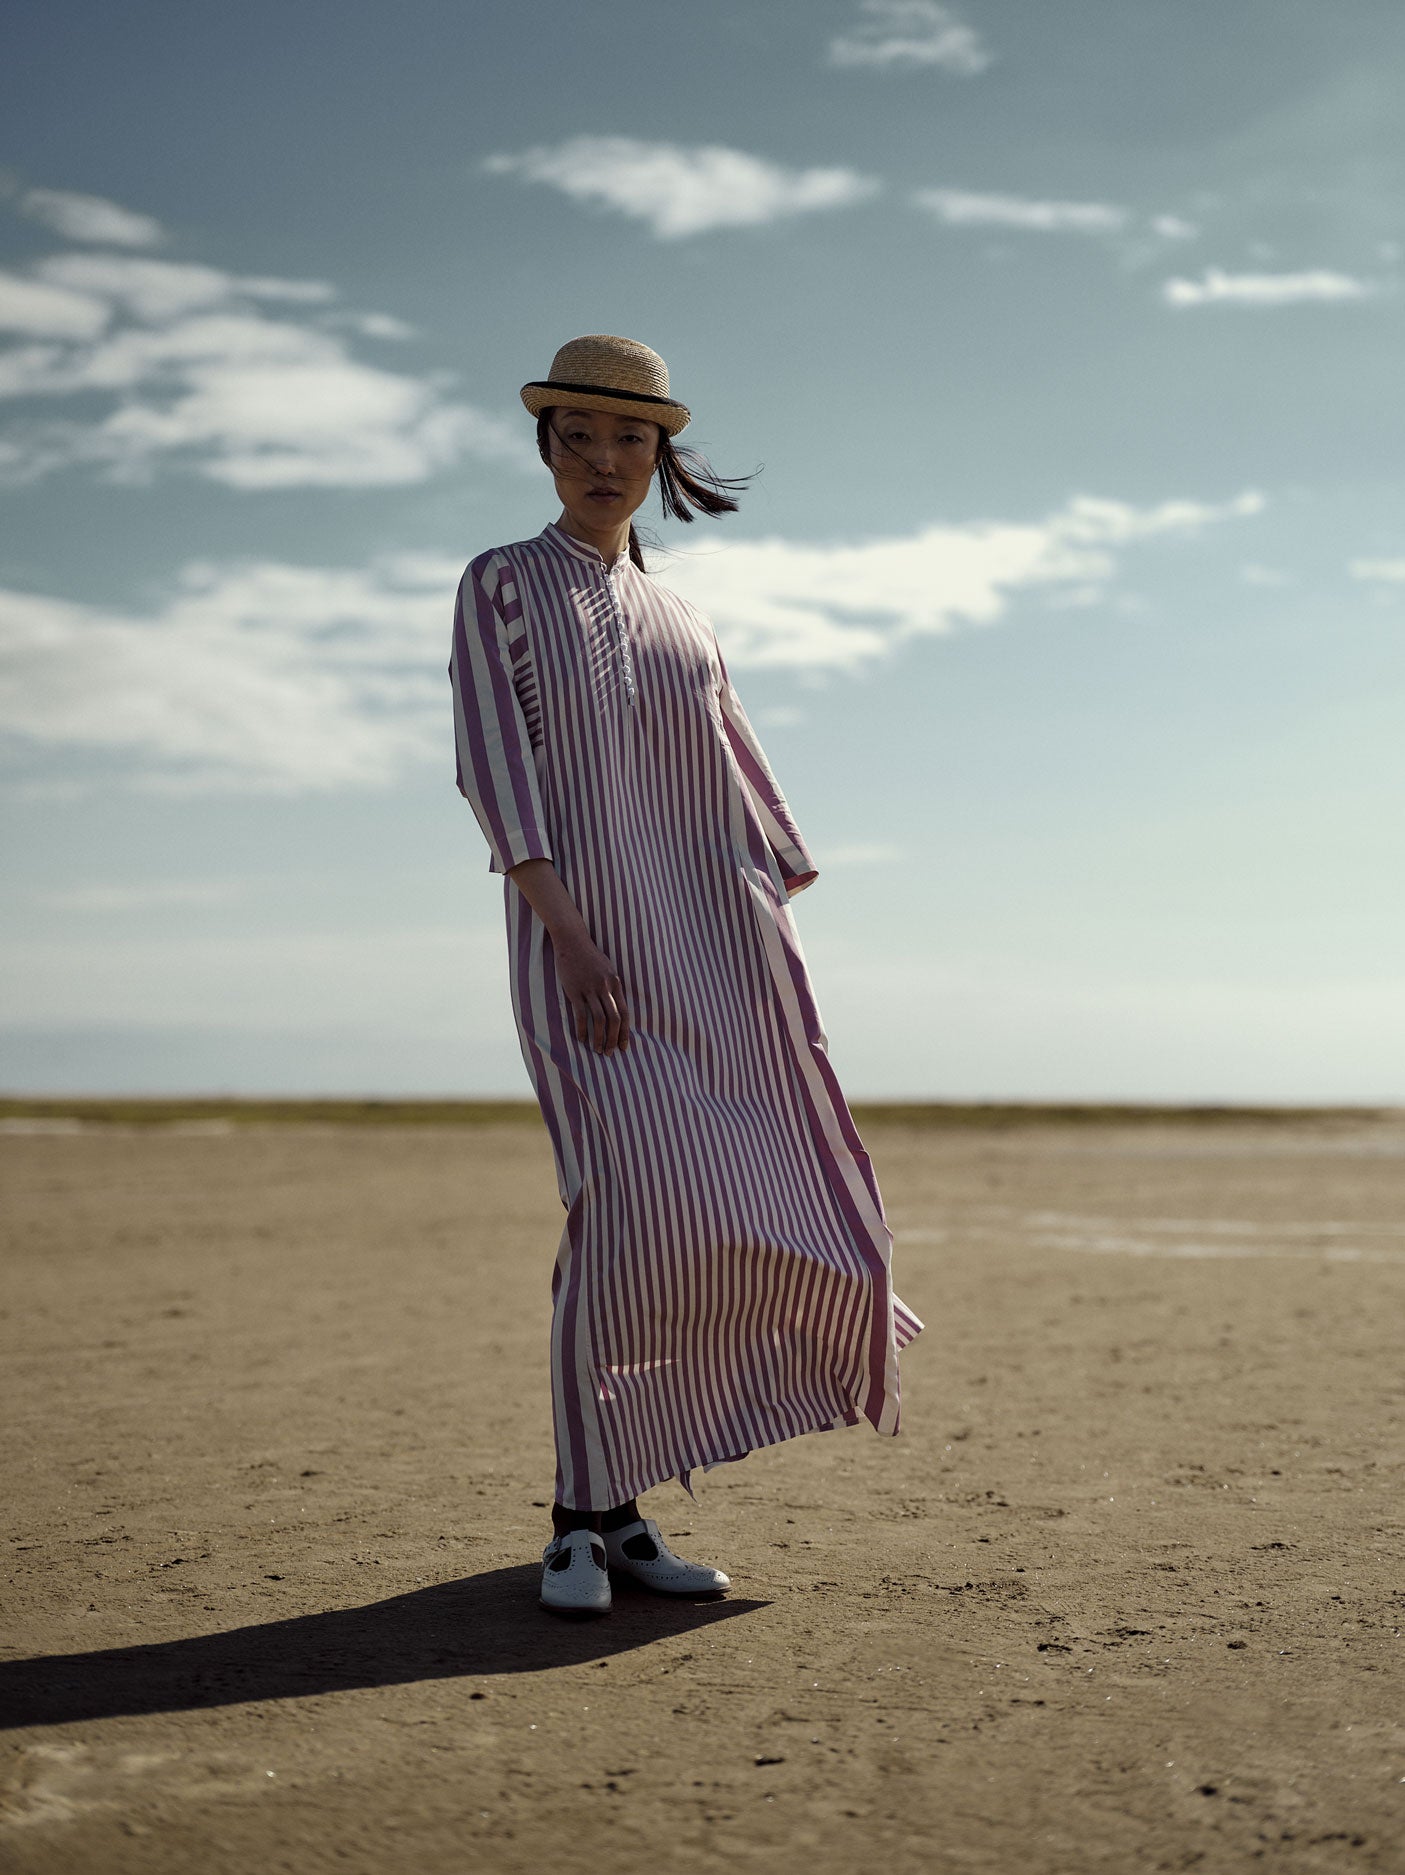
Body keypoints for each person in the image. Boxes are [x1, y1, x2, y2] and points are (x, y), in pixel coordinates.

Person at [449, 334, 921, 1617]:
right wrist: (574, 937)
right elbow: (496, 778)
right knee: (618, 1211)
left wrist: (769, 935)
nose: (605, 460)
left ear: (661, 459)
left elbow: (749, 791)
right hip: (583, 950)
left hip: (716, 945)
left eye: (631, 439)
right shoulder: (498, 584)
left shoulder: (684, 616)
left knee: (758, 1195)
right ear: (546, 449)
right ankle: (574, 1523)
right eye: (581, 436)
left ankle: (625, 1504)